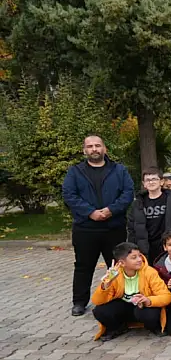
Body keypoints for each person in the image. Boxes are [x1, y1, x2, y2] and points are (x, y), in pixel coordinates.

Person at [62, 135, 135, 316]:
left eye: (97, 145)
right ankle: (79, 302)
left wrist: (111, 210)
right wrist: (90, 212)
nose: (94, 149)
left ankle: (121, 297)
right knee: (83, 266)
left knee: (118, 266)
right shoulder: (75, 172)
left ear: (104, 149)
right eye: (90, 146)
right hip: (85, 228)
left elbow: (128, 193)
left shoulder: (119, 170)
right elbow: (69, 195)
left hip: (114, 227)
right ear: (84, 150)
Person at [91, 242, 171, 341]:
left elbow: (166, 296)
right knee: (99, 311)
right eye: (134, 257)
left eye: (139, 256)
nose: (139, 260)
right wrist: (106, 285)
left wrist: (148, 300)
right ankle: (117, 327)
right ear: (122, 263)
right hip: (125, 307)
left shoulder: (149, 272)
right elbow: (97, 301)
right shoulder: (114, 274)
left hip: (143, 307)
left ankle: (154, 327)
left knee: (150, 315)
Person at [127, 167, 171, 263]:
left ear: (162, 182)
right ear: (144, 184)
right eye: (148, 180)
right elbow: (132, 229)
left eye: (154, 179)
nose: (151, 182)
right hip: (146, 247)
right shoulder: (137, 204)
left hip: (168, 246)